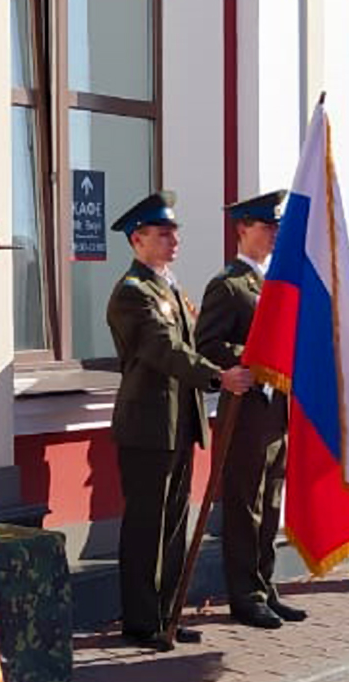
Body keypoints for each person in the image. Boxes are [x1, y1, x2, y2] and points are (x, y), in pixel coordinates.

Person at [106, 190, 254, 651]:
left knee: (174, 524)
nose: (174, 242)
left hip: (178, 423)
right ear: (137, 240)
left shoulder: (168, 286)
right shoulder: (133, 294)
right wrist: (218, 376)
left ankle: (167, 615)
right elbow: (164, 351)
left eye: (174, 234)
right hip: (148, 425)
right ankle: (140, 621)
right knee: (146, 525)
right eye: (163, 234)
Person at [197, 190, 306, 630]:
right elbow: (207, 344)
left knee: (271, 500)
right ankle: (245, 595)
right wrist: (256, 354)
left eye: (277, 226)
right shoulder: (228, 284)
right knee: (246, 504)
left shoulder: (275, 282)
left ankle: (265, 585)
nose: (275, 233)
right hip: (245, 409)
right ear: (243, 229)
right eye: (267, 226)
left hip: (276, 407)